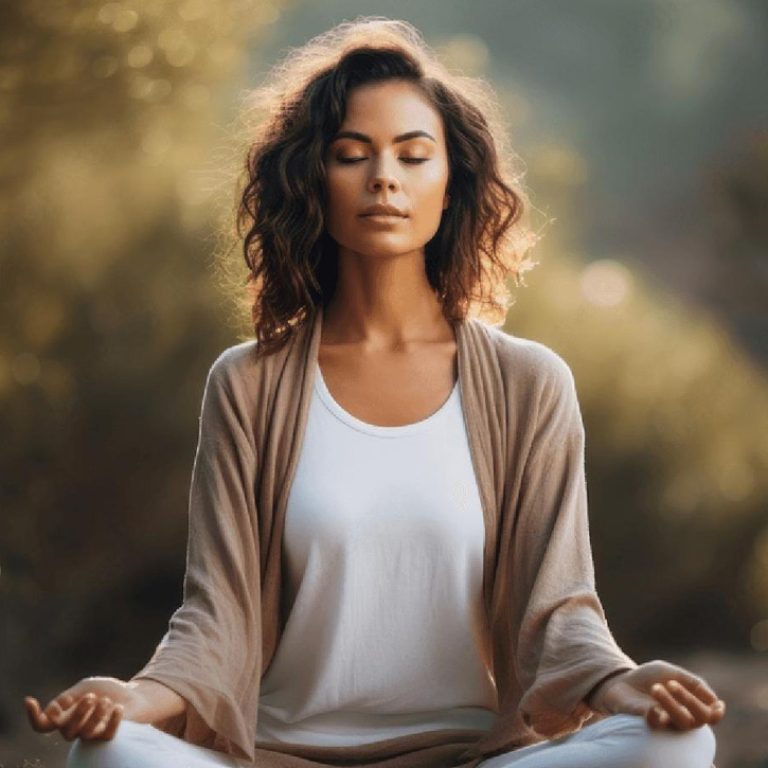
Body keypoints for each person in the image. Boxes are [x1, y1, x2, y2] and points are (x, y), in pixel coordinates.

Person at [24, 17, 725, 768]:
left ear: (451, 183)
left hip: (468, 758)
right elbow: (215, 615)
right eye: (351, 155)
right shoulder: (249, 385)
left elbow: (559, 611)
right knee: (107, 755)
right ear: (310, 180)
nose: (384, 178)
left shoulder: (529, 385)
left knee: (678, 742)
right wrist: (130, 700)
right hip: (285, 756)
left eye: (413, 156)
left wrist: (619, 681)